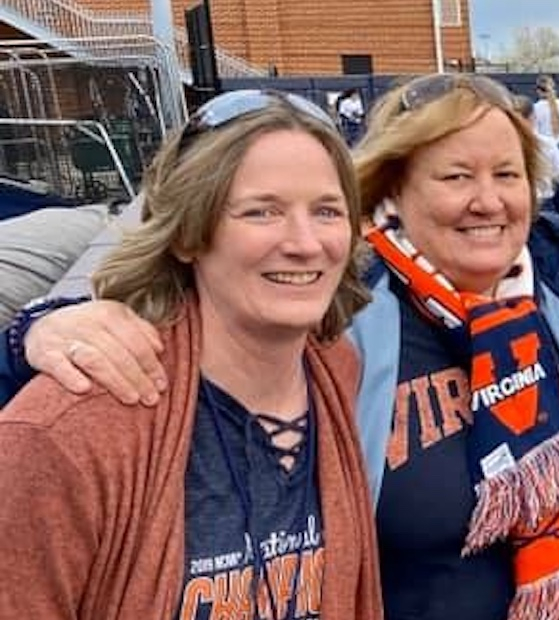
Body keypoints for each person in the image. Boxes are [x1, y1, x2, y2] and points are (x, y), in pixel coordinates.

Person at [1, 73, 559, 620]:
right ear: (394, 188)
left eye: (506, 174)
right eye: (454, 176)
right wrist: (40, 326)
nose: (487, 202)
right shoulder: (337, 301)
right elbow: (161, 260)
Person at [0, 89, 382, 619]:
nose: (304, 242)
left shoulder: (337, 371)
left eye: (326, 211)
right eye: (261, 211)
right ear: (187, 235)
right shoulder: (67, 433)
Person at [512, 93, 559, 216]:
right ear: (533, 116)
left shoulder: (504, 144)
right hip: (540, 200)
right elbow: (558, 175)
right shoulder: (547, 143)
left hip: (523, 201)